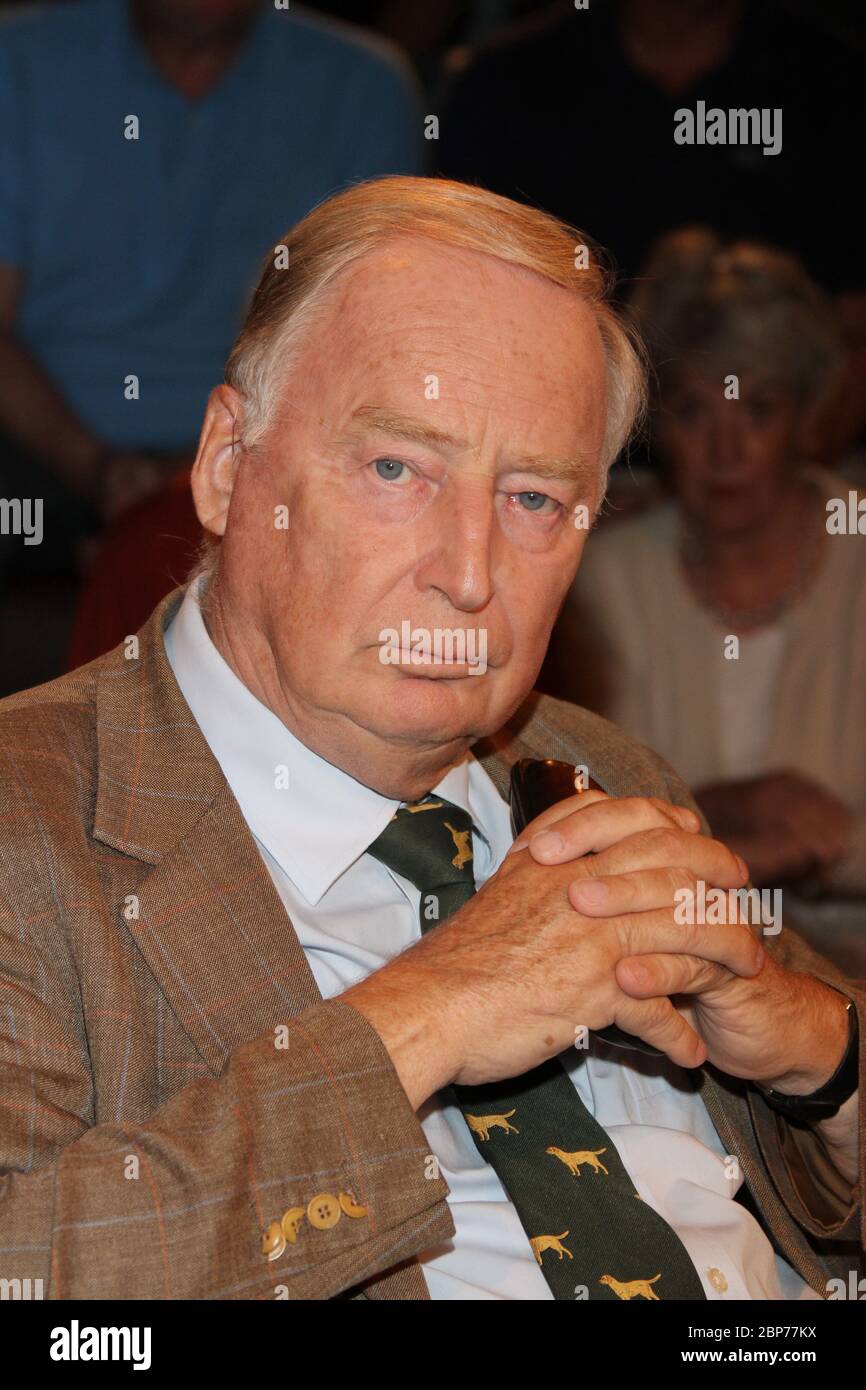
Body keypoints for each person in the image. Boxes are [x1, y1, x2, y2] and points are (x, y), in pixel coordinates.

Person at [0, 178, 860, 1301]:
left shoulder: (598, 770)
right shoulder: (33, 818)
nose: (467, 575)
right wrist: (429, 1012)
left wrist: (823, 1057)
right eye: (397, 469)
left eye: (533, 499)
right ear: (225, 465)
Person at [548, 230, 866, 972]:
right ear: (655, 425)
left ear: (808, 417)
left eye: (756, 411)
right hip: (665, 964)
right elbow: (571, 828)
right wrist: (732, 812)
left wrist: (805, 847)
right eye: (694, 412)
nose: (726, 453)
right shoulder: (601, 578)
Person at [0, 0, 422, 558]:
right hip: (43, 454)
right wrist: (102, 473)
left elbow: (378, 343)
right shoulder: (19, 62)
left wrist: (224, 470)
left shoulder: (364, 86)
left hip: (273, 454)